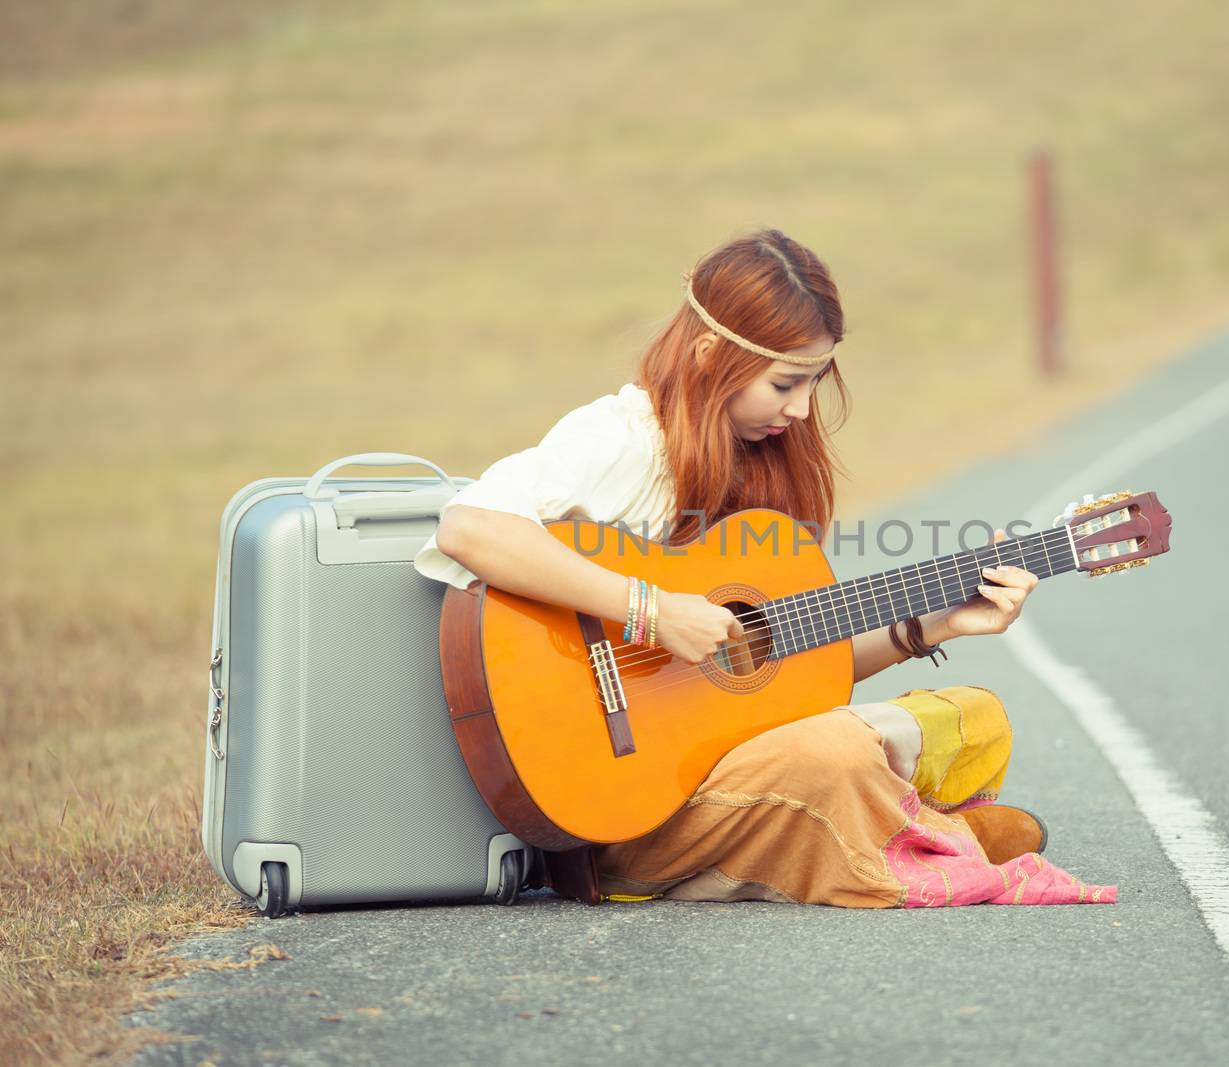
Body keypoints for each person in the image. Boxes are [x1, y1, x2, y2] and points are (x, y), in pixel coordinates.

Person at [414, 228, 1115, 907]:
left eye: (815, 382)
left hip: (732, 769)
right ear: (711, 351)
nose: (803, 408)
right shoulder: (621, 438)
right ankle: (931, 837)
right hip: (625, 812)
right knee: (837, 750)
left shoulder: (758, 466)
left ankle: (885, 836)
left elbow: (789, 674)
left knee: (977, 715)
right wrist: (651, 611)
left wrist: (932, 625)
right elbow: (469, 526)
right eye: (785, 383)